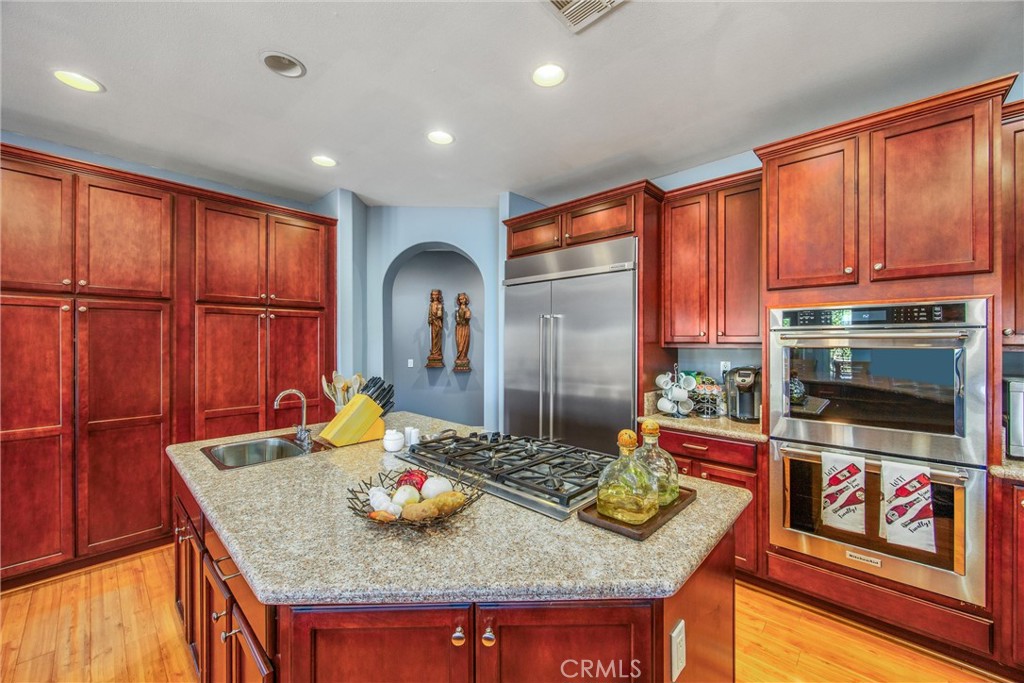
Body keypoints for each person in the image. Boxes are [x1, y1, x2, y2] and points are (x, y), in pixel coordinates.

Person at [426, 289, 444, 367]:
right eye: (433, 295)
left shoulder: (440, 305)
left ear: (439, 296)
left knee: (437, 338)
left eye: (436, 294)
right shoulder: (431, 305)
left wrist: (439, 313)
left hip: (438, 324)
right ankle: (433, 352)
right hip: (433, 324)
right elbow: (429, 315)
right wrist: (430, 319)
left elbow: (440, 316)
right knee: (433, 338)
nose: (435, 296)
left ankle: (437, 352)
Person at [454, 292, 471, 372]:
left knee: (464, 342)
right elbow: (457, 319)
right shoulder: (457, 310)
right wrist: (457, 316)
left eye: (463, 299)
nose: (462, 301)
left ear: (466, 299)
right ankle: (460, 356)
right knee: (459, 342)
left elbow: (467, 318)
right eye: (460, 299)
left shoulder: (467, 309)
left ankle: (463, 357)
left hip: (465, 328)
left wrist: (467, 316)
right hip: (459, 328)